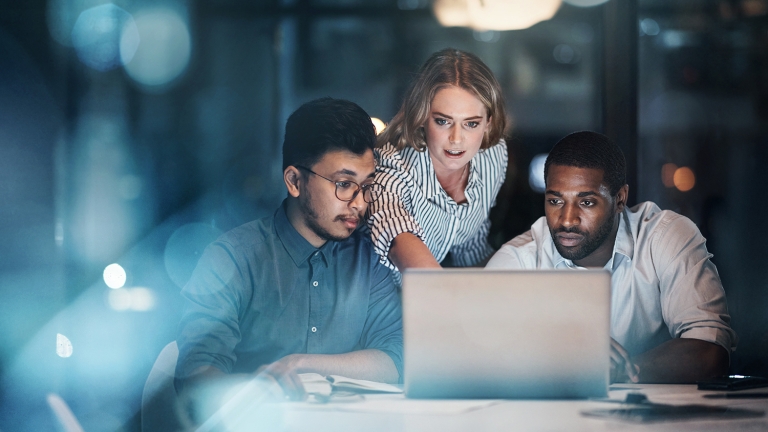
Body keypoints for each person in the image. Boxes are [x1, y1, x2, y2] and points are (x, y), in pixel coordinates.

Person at [175, 98, 403, 412]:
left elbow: (397, 356)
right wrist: (250, 390)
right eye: (343, 184)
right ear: (294, 181)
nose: (360, 203)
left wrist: (304, 365)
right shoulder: (232, 259)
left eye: (366, 186)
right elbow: (196, 372)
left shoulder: (368, 259)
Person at [486, 131, 736, 384]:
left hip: (655, 421)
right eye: (555, 201)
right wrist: (555, 353)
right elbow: (477, 359)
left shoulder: (663, 238)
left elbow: (711, 351)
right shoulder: (517, 262)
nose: (567, 219)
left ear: (620, 199)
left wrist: (615, 371)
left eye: (586, 203)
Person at [367, 48, 509, 281]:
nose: (456, 138)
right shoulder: (391, 167)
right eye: (443, 121)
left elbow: (469, 248)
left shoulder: (492, 156)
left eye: (471, 124)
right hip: (376, 305)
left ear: (488, 123)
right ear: (423, 117)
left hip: (433, 299)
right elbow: (395, 234)